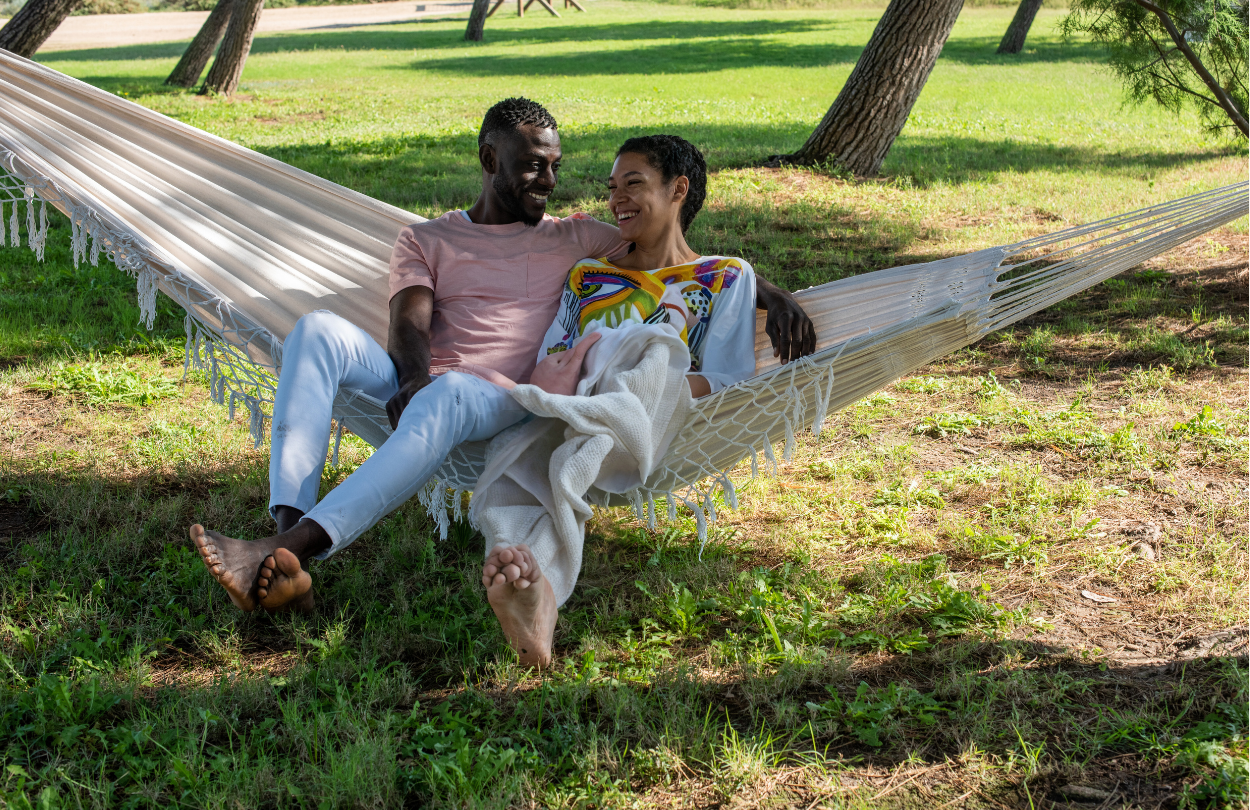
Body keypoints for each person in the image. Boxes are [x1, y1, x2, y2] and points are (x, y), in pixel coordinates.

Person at [190, 97, 816, 660]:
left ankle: (297, 545)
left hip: (500, 394)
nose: (549, 181)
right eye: (533, 166)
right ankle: (283, 549)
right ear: (490, 158)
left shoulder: (577, 239)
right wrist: (411, 383)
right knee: (316, 331)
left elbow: (672, 254)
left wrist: (772, 293)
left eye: (555, 166)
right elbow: (408, 323)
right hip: (425, 382)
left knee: (450, 394)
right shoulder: (426, 237)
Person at [479, 134, 765, 667]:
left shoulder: (725, 277)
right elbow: (555, 354)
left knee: (654, 347)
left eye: (633, 184)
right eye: (613, 189)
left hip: (648, 410)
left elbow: (727, 378)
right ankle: (533, 586)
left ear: (679, 189)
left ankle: (531, 573)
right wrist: (590, 383)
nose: (617, 200)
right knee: (519, 452)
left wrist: (643, 383)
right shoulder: (589, 276)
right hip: (573, 407)